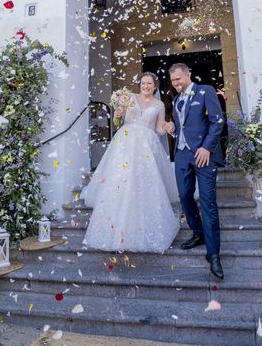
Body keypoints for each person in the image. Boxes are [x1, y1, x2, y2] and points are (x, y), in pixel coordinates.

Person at [82, 72, 180, 252]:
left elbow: (159, 129)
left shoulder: (158, 105)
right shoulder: (128, 97)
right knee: (121, 180)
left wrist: (169, 126)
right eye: (143, 83)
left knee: (143, 182)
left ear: (155, 86)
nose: (146, 86)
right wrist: (118, 112)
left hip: (146, 146)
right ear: (140, 84)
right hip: (125, 143)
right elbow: (119, 120)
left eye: (150, 83)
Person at [164, 63, 224, 279]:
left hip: (202, 154)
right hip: (181, 155)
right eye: (173, 81)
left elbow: (217, 121)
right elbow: (183, 127)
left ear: (188, 74)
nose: (176, 83)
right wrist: (171, 129)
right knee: (184, 196)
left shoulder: (205, 90)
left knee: (208, 202)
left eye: (179, 78)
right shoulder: (177, 99)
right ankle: (198, 233)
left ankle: (213, 254)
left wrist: (207, 147)